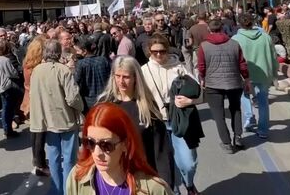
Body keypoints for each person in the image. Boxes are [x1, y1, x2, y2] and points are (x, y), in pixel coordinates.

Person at [97, 56, 174, 189]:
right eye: (118, 76)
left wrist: (165, 183)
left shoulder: (147, 107)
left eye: (126, 77)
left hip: (143, 178)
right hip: (112, 179)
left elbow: (161, 150)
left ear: (135, 78)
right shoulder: (105, 105)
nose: (121, 81)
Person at [66, 102, 173, 195]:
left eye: (106, 145)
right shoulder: (77, 178)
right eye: (90, 142)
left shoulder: (154, 189)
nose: (97, 153)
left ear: (125, 145)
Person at [141, 34, 202, 195]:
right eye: (155, 52)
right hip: (157, 123)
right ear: (149, 51)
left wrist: (190, 101)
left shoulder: (178, 68)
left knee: (189, 163)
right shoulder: (143, 71)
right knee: (165, 166)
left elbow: (199, 93)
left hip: (179, 120)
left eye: (162, 51)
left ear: (167, 50)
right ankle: (173, 190)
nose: (159, 55)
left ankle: (189, 183)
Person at [30, 40, 84, 195]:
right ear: (59, 52)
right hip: (65, 119)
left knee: (54, 158)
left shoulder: (37, 71)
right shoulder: (63, 70)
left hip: (46, 120)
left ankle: (56, 189)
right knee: (69, 159)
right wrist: (81, 108)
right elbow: (72, 98)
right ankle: (69, 190)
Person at [197, 19, 250, 153]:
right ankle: (238, 137)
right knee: (235, 109)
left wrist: (202, 78)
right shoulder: (234, 44)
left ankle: (226, 143)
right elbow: (242, 64)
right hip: (233, 82)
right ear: (222, 29)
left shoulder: (204, 46)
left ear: (209, 30)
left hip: (213, 84)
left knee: (218, 114)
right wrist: (246, 78)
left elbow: (202, 66)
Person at [232, 13, 279, 139]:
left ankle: (249, 117)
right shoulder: (265, 37)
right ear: (253, 23)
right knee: (263, 102)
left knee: (244, 96)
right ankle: (263, 129)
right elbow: (274, 56)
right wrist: (275, 72)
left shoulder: (236, 39)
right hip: (263, 73)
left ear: (239, 23)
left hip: (244, 75)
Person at [20, 36, 50, 177]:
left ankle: (36, 159)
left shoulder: (27, 63)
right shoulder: (38, 67)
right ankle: (40, 165)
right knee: (40, 134)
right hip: (37, 100)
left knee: (34, 132)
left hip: (28, 99)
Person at [0, 41, 23, 138]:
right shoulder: (5, 60)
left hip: (1, 86)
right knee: (8, 109)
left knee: (6, 109)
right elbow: (12, 73)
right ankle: (8, 130)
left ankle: (7, 129)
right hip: (7, 87)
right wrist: (18, 73)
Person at [75, 39, 111, 114]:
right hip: (104, 97)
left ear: (84, 50)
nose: (77, 52)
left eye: (78, 50)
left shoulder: (81, 63)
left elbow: (76, 82)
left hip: (88, 100)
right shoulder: (103, 60)